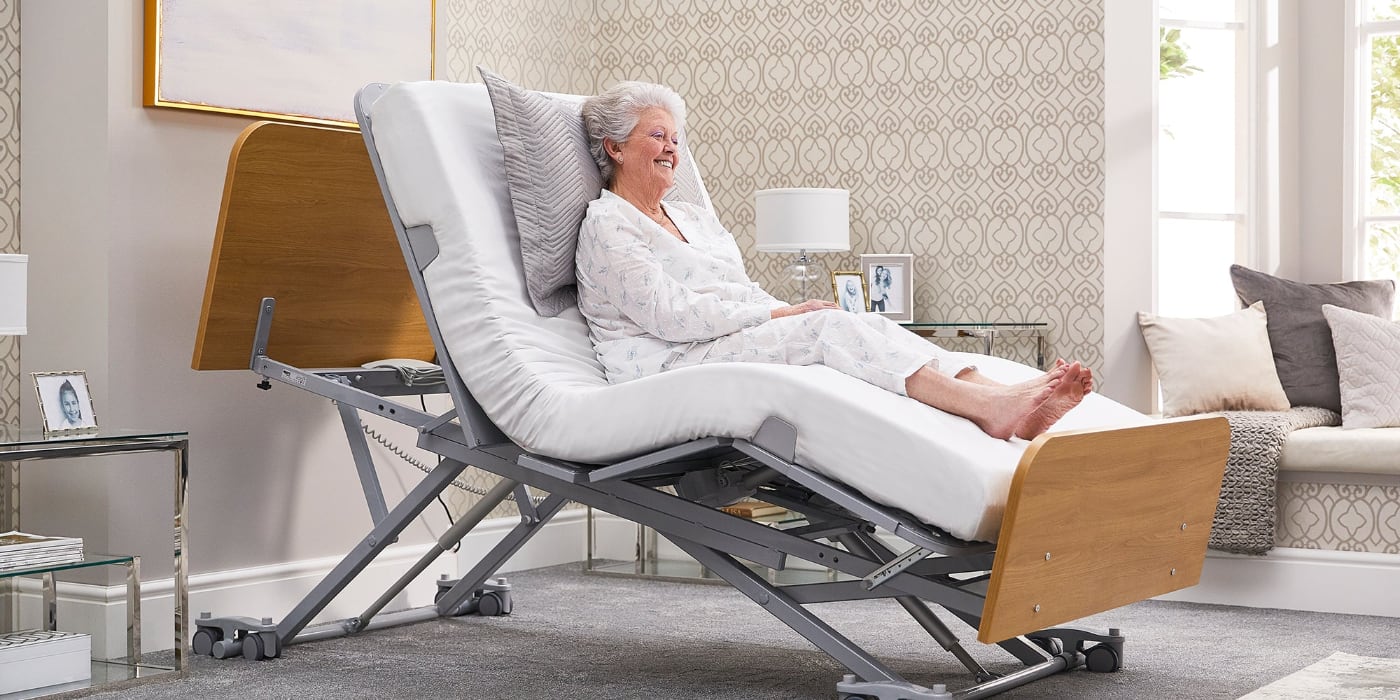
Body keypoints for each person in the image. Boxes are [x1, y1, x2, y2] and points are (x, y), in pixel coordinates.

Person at [575, 81, 1092, 440]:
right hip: (666, 363)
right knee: (826, 329)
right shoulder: (608, 224)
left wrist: (780, 311)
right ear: (615, 148)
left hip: (719, 340)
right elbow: (669, 315)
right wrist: (779, 314)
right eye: (657, 136)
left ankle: (1006, 395)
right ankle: (989, 409)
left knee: (860, 321)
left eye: (675, 138)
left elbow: (741, 288)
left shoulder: (691, 216)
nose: (671, 148)